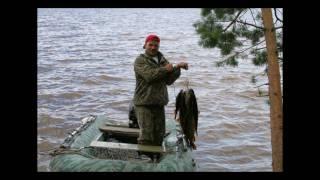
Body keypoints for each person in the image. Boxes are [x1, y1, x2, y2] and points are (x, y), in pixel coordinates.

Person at [133, 34, 188, 150]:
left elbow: (168, 81)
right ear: (145, 45)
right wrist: (166, 69)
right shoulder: (140, 60)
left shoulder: (162, 59)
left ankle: (155, 158)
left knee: (159, 135)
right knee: (146, 135)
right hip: (144, 103)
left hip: (159, 103)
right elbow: (149, 76)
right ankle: (144, 159)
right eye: (150, 45)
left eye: (156, 45)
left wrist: (177, 69)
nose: (153, 47)